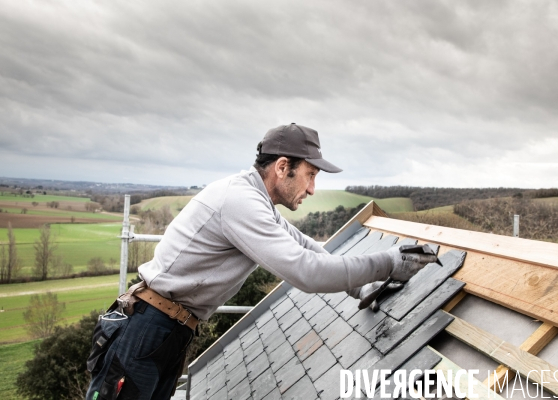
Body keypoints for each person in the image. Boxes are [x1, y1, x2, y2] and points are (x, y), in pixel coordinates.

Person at [85, 123, 437, 400]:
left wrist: (360, 285)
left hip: (169, 331)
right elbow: (307, 272)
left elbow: (306, 246)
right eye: (310, 175)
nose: (313, 188)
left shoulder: (256, 203)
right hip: (147, 329)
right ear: (283, 167)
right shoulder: (240, 202)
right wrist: (389, 262)